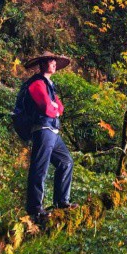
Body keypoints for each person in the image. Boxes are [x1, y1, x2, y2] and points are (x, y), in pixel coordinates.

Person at [23, 50, 78, 223]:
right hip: (43, 128)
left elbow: (59, 108)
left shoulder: (49, 85)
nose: (54, 63)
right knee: (40, 167)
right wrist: (54, 107)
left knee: (66, 161)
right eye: (50, 61)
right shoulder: (36, 83)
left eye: (55, 61)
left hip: (53, 130)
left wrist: (54, 107)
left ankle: (62, 202)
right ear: (42, 64)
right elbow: (47, 108)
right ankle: (35, 209)